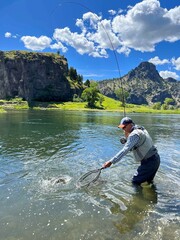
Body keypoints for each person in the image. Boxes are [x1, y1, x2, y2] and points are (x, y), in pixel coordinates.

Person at [103, 117, 160, 186]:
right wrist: (127, 136)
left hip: (149, 162)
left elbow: (125, 150)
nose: (123, 129)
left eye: (124, 127)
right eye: (122, 128)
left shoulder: (134, 135)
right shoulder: (141, 128)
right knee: (148, 181)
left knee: (135, 181)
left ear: (130, 125)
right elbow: (136, 142)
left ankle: (138, 196)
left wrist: (111, 162)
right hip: (155, 159)